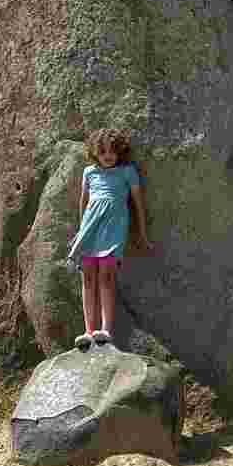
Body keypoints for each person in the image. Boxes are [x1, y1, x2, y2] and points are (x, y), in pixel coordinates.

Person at [66, 127, 152, 349]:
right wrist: (80, 233)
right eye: (102, 151)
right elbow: (84, 204)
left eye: (112, 151)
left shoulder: (127, 171)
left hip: (114, 229)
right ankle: (88, 330)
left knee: (106, 276)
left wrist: (142, 233)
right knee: (87, 278)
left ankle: (106, 329)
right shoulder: (89, 172)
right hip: (90, 229)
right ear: (95, 152)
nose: (107, 155)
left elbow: (138, 203)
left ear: (119, 151)